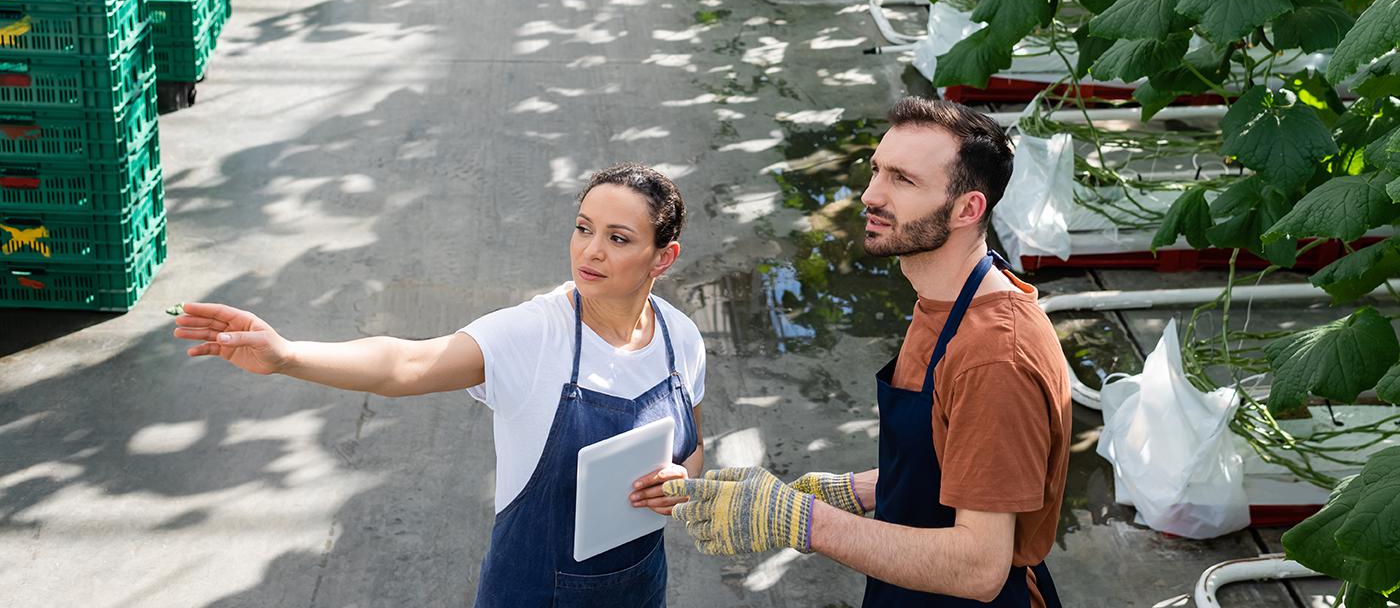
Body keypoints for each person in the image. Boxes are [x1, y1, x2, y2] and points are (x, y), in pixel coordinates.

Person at [174, 163, 706, 608]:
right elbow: (404, 363)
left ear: (664, 257)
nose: (590, 251)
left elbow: (694, 448)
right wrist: (288, 356)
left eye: (617, 239)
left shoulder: (679, 338)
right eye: (583, 228)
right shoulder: (533, 334)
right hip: (532, 594)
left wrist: (678, 482)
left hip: (639, 588)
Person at [664, 97, 1070, 607]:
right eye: (877, 170)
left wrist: (804, 521)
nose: (869, 195)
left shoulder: (994, 357)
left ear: (968, 208)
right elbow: (952, 459)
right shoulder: (947, 299)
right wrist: (852, 491)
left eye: (902, 180)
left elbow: (980, 567)